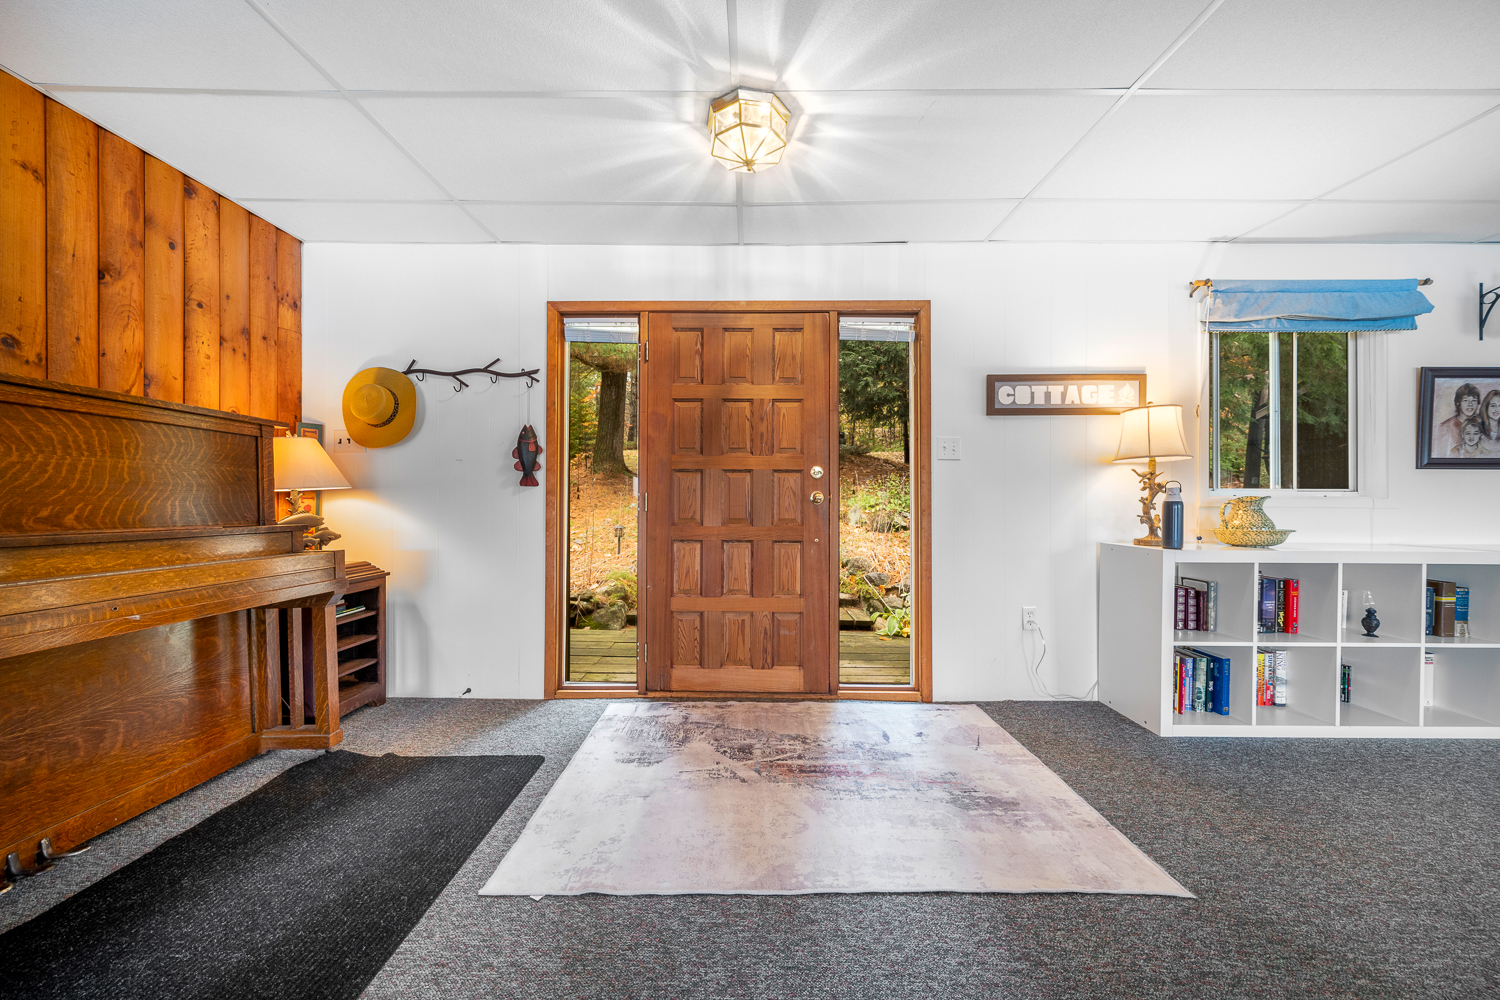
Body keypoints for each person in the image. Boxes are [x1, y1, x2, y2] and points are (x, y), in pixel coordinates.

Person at [1435, 383, 1482, 456]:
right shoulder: (1445, 427)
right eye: (1466, 400)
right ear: (1458, 403)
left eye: (1474, 400)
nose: (1470, 404)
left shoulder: (1482, 423)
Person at [1480, 389, 1500, 455]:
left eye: (1499, 406)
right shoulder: (1477, 429)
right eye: (1493, 405)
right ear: (1486, 407)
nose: (1497, 409)